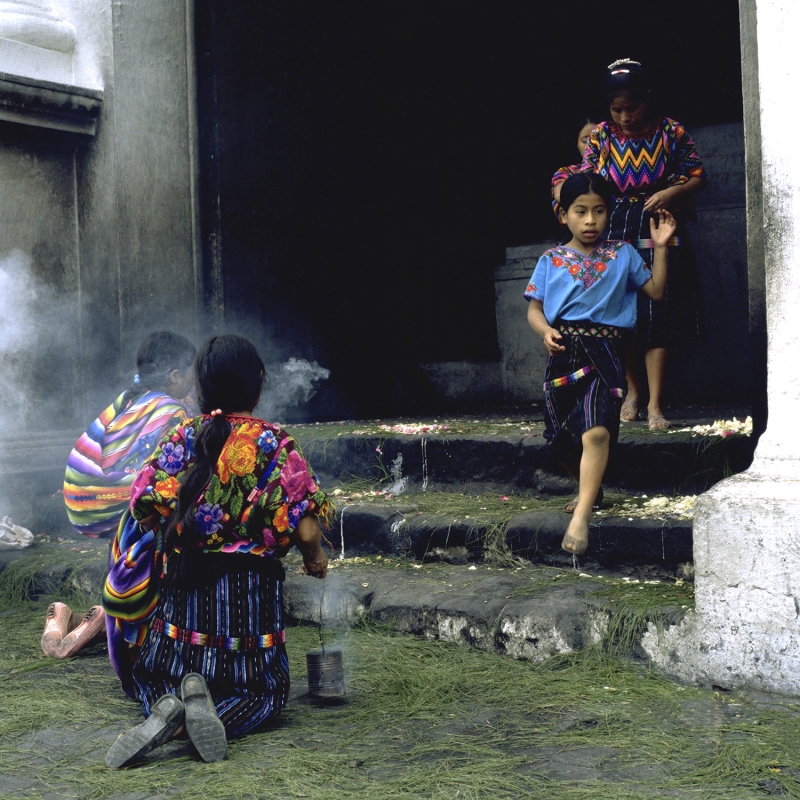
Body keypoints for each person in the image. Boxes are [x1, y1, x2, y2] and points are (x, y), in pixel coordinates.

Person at [103, 334, 332, 769]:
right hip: (247, 627)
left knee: (155, 681)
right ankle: (205, 715)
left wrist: (175, 530)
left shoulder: (182, 435)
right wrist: (314, 558)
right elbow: (305, 528)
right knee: (266, 696)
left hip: (179, 624)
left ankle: (169, 707)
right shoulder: (276, 445)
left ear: (201, 387)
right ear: (258, 385)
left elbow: (142, 504)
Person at [525, 172, 676, 555]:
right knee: (561, 442)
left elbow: (655, 292)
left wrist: (659, 247)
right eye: (580, 211)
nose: (590, 220)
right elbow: (535, 310)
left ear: (609, 213)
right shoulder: (551, 259)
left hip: (606, 354)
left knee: (596, 433)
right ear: (564, 216)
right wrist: (544, 332)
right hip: (562, 354)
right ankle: (592, 489)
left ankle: (582, 516)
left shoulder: (622, 253)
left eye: (599, 211)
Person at [42, 332, 196, 660]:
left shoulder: (128, 398)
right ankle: (120, 616)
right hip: (113, 502)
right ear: (175, 376)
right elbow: (162, 479)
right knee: (172, 508)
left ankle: (69, 619)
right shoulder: (173, 412)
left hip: (79, 499)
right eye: (191, 373)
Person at [581, 59, 706, 429]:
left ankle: (655, 404)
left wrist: (672, 191)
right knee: (625, 315)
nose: (624, 117)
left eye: (631, 108)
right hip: (616, 226)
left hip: (659, 222)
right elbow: (588, 179)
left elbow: (698, 174)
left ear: (647, 99)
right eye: (616, 109)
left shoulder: (671, 131)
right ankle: (633, 392)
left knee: (658, 314)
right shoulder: (601, 136)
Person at [551, 115, 597, 217]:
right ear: (576, 143)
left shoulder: (615, 171)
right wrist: (588, 167)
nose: (591, 146)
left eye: (597, 140)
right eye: (585, 141)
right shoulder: (566, 172)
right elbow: (560, 195)